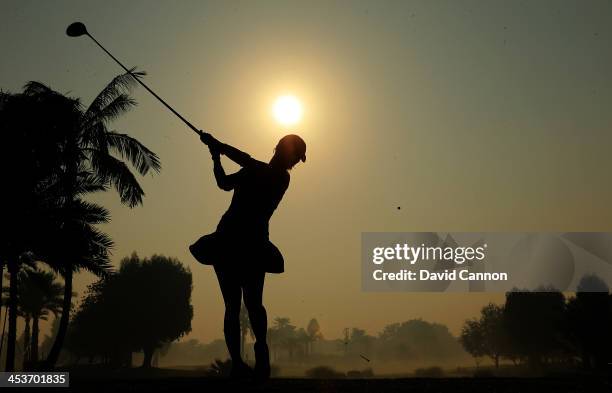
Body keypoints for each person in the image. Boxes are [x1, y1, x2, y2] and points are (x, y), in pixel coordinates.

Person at [189, 131, 306, 379]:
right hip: (242, 242)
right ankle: (245, 363)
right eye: (294, 157)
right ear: (282, 152)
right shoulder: (259, 171)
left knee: (244, 305)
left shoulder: (276, 177)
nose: (294, 163)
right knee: (241, 305)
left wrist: (218, 148)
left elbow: (240, 163)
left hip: (239, 242)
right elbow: (225, 181)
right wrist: (216, 155)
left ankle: (253, 360)